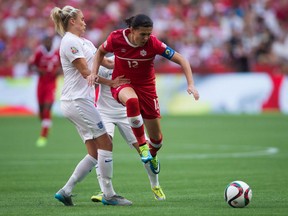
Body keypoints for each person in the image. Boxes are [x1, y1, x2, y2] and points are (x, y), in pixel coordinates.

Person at [87, 14, 199, 183]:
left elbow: (182, 59)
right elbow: (100, 52)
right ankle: (143, 147)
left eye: (149, 34)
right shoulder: (116, 38)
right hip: (123, 84)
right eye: (143, 34)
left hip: (147, 89)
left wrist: (191, 84)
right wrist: (94, 72)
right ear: (132, 30)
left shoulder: (153, 43)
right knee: (132, 101)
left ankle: (152, 154)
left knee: (157, 140)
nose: (146, 38)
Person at [50, 5, 132, 206]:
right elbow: (86, 72)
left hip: (80, 101)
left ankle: (66, 191)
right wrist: (110, 83)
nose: (84, 22)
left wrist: (131, 57)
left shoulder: (84, 42)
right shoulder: (69, 42)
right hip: (77, 101)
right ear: (72, 22)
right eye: (82, 19)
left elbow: (107, 63)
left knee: (95, 153)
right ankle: (110, 195)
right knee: (106, 143)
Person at [90, 56, 166, 202]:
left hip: (126, 113)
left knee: (146, 151)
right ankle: (104, 190)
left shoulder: (131, 64)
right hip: (104, 112)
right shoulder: (101, 62)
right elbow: (91, 78)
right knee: (103, 149)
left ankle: (155, 185)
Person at [28, 34, 62, 147]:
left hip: (51, 85)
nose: (48, 44)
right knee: (41, 112)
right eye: (46, 42)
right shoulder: (39, 53)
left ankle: (43, 136)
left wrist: (59, 71)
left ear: (52, 43)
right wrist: (38, 70)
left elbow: (64, 66)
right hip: (41, 85)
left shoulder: (57, 54)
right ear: (43, 43)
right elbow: (30, 66)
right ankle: (46, 124)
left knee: (47, 108)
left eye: (49, 42)